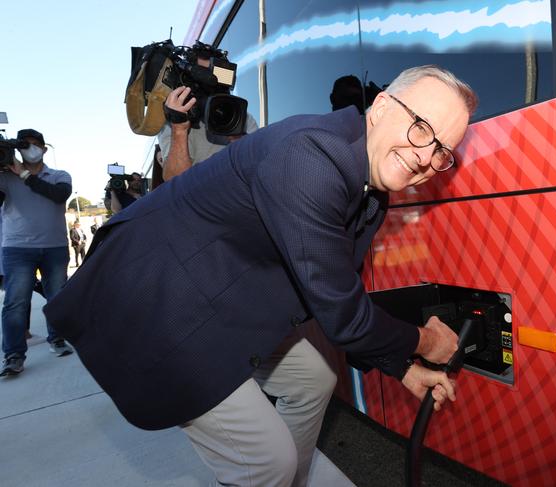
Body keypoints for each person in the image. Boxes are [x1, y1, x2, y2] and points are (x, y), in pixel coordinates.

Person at [44, 65, 477, 486]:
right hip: (160, 303)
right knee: (266, 462)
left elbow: (336, 296)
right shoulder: (312, 157)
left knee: (315, 380)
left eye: (442, 150)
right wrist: (425, 342)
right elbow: (345, 316)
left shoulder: (370, 187)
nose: (425, 157)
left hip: (223, 290)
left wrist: (400, 365)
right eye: (421, 127)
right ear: (381, 107)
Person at [0, 128, 73, 377]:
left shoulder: (59, 175)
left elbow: (59, 195)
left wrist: (22, 174)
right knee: (16, 303)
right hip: (17, 248)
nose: (31, 148)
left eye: (35, 144)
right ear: (17, 150)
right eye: (25, 145)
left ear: (44, 148)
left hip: (55, 247)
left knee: (57, 298)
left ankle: (57, 339)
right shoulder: (5, 178)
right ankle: (13, 356)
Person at [158, 54, 258, 181]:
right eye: (204, 76)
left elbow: (257, 165)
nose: (212, 84)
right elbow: (174, 181)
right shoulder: (175, 119)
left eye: (217, 78)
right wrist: (179, 129)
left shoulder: (241, 115)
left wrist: (235, 132)